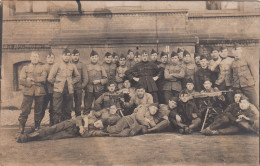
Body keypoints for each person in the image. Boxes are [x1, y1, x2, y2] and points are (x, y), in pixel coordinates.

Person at [17, 112, 111, 143]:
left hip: (71, 133)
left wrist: (85, 126)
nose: (97, 123)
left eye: (100, 125)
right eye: (99, 122)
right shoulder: (92, 117)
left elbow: (85, 135)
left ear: (100, 127)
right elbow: (78, 117)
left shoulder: (94, 131)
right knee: (51, 129)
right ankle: (26, 137)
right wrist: (81, 125)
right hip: (69, 123)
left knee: (50, 137)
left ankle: (30, 136)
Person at [48, 48, 80, 124]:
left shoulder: (72, 66)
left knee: (68, 110)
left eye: (68, 55)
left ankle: (66, 126)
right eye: (65, 55)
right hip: (58, 91)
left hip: (69, 90)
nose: (67, 57)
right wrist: (57, 83)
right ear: (62, 56)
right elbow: (50, 78)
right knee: (57, 110)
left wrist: (72, 82)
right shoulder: (57, 65)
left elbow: (78, 76)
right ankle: (56, 127)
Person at [18, 52, 47, 134]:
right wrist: (31, 82)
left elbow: (44, 79)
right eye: (33, 57)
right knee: (25, 110)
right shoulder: (25, 68)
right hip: (28, 91)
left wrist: (31, 79)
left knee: (39, 110)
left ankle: (37, 127)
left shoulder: (42, 68)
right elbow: (21, 80)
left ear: (39, 58)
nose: (35, 58)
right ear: (30, 58)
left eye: (36, 57)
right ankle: (21, 127)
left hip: (39, 92)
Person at [231, 44, 258, 108]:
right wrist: (234, 85)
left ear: (241, 51)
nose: (236, 54)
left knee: (254, 103)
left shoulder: (247, 59)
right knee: (239, 104)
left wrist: (253, 82)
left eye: (238, 51)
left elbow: (254, 72)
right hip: (238, 87)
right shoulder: (233, 63)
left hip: (248, 85)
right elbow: (232, 75)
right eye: (235, 52)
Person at [84, 50, 108, 115]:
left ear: (98, 58)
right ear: (90, 58)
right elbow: (84, 78)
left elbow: (106, 79)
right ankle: (86, 122)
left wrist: (99, 81)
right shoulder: (86, 67)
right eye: (92, 57)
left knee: (99, 107)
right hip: (89, 89)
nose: (94, 58)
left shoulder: (101, 67)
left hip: (99, 90)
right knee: (86, 107)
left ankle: (99, 122)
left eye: (95, 57)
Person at [71, 49, 88, 117]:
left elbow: (85, 77)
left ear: (79, 56)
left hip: (78, 87)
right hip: (69, 87)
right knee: (68, 105)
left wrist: (82, 86)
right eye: (74, 55)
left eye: (77, 55)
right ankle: (69, 121)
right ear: (71, 56)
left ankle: (78, 123)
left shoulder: (82, 65)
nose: (75, 57)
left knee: (78, 105)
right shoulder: (69, 64)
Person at [40, 52, 55, 126]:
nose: (50, 59)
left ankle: (51, 124)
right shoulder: (43, 67)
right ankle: (37, 124)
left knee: (53, 109)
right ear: (46, 59)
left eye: (52, 58)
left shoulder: (56, 67)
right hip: (45, 91)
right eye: (49, 58)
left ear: (54, 59)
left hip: (54, 91)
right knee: (42, 108)